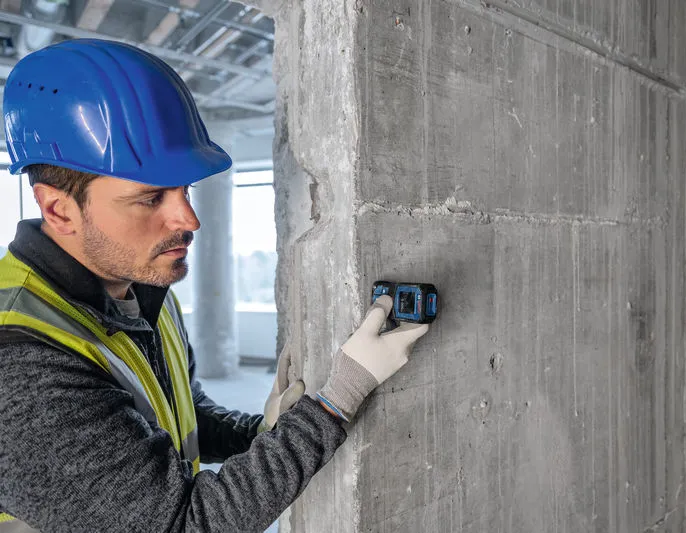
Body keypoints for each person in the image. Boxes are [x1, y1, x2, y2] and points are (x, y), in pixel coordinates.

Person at [0, 39, 429, 532]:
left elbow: (179, 416)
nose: (189, 218)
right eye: (150, 198)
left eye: (185, 189)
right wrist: (337, 399)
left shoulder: (139, 294)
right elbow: (187, 522)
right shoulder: (19, 360)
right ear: (58, 209)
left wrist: (260, 433)